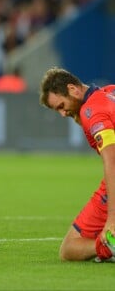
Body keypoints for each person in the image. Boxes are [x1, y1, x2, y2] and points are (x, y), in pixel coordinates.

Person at [39, 67, 115, 262]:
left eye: (61, 106)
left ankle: (108, 247)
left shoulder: (92, 111)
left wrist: (112, 219)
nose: (63, 114)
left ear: (73, 89)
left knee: (70, 248)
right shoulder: (109, 92)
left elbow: (111, 159)